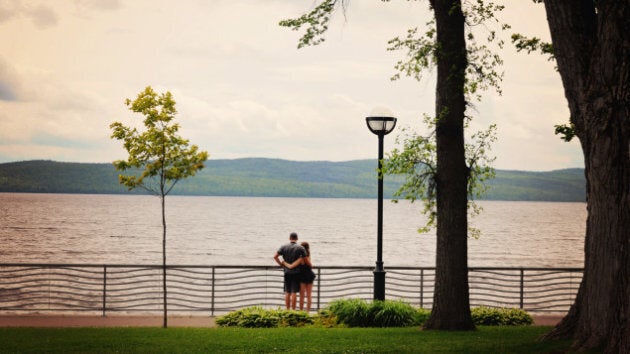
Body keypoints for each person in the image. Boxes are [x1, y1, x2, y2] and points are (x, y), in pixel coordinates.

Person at [273, 232, 306, 310]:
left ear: (290, 238)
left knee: (288, 292)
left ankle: (287, 310)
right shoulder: (301, 248)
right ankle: (293, 310)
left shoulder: (283, 247)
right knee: (294, 292)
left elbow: (275, 257)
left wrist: (281, 264)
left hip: (287, 272)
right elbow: (303, 261)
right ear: (297, 239)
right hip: (296, 272)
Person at [283, 241, 316, 312]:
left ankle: (301, 312)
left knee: (302, 296)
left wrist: (284, 263)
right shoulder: (309, 255)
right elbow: (311, 265)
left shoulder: (301, 258)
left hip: (302, 276)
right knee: (309, 295)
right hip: (310, 275)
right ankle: (307, 312)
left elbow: (291, 266)